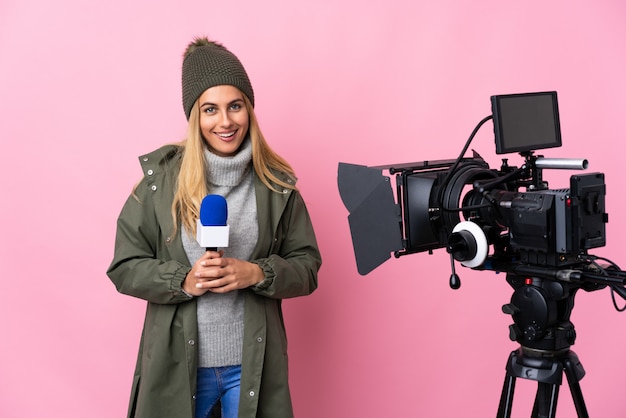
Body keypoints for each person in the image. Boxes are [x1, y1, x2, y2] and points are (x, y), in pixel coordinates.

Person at [107, 37, 322, 418]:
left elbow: (307, 267)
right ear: (195, 117)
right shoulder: (159, 185)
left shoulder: (278, 187)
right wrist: (183, 280)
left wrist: (256, 272)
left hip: (252, 364)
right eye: (210, 109)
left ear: (249, 110)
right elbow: (124, 267)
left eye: (235, 106)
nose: (225, 121)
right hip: (179, 366)